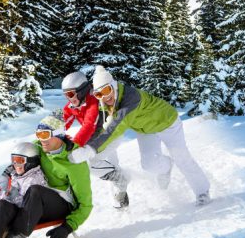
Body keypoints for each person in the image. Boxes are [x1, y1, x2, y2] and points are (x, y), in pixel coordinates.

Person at [69, 66, 211, 206]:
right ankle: (166, 167)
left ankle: (202, 191)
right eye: (99, 94)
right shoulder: (106, 104)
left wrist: (90, 150)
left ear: (113, 85)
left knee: (181, 157)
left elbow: (114, 128)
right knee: (149, 165)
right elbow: (101, 128)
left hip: (167, 122)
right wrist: (84, 146)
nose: (105, 97)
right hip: (145, 130)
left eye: (106, 90)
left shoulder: (131, 98)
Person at [0, 116, 93, 238]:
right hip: (35, 203)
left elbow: (86, 205)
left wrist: (67, 227)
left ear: (59, 135)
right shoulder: (39, 148)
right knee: (11, 197)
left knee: (35, 190)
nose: (41, 139)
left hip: (61, 205)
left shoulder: (75, 162)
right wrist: (6, 173)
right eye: (38, 134)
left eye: (45, 135)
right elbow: (20, 158)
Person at [61, 71, 129, 208]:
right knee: (107, 165)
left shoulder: (93, 102)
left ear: (81, 91)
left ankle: (120, 185)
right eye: (66, 95)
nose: (69, 99)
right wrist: (48, 134)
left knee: (92, 162)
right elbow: (62, 121)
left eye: (70, 94)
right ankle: (120, 192)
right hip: (97, 138)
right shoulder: (73, 105)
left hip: (110, 135)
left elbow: (89, 126)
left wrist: (75, 144)